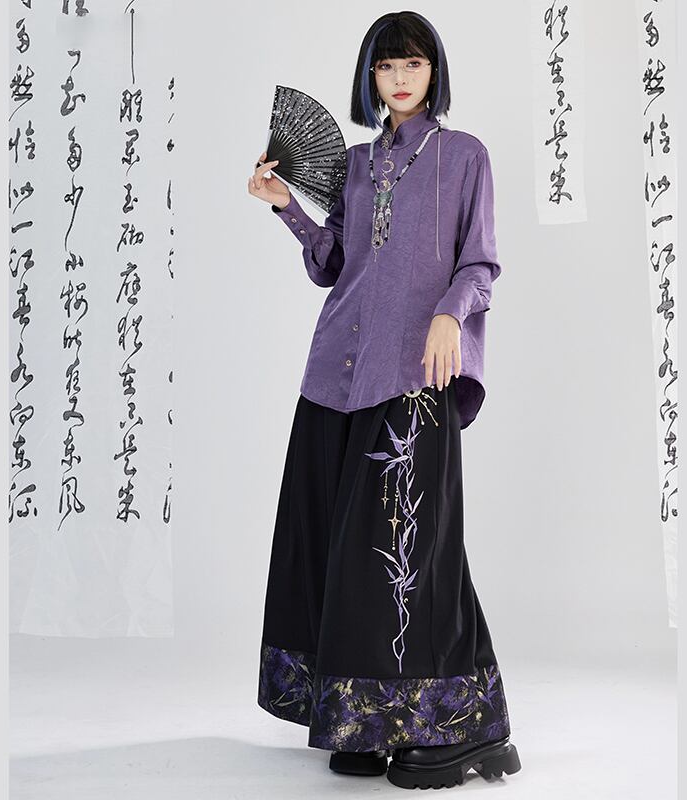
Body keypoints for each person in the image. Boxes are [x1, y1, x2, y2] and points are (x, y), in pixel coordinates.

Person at [247, 11, 521, 792]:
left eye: (413, 64)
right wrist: (284, 204)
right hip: (336, 374)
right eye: (386, 66)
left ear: (434, 72)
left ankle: (468, 729)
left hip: (415, 373)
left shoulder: (464, 156)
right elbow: (333, 261)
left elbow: (480, 262)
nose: (400, 78)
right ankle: (365, 718)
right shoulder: (357, 164)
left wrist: (449, 316)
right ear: (370, 77)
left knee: (413, 553)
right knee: (340, 551)